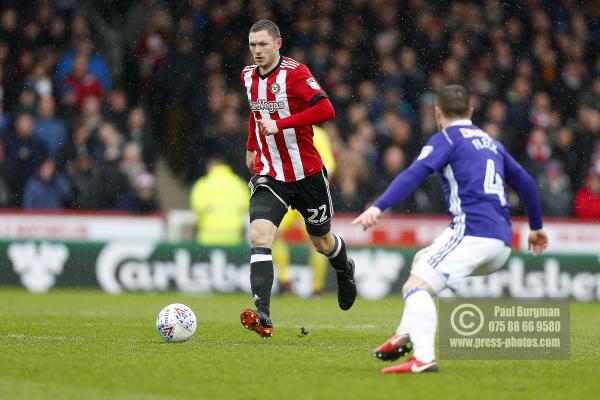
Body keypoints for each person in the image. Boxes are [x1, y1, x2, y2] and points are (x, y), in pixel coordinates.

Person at [353, 85, 549, 373]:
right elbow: (528, 184)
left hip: (472, 232)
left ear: (437, 113)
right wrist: (536, 227)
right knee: (422, 259)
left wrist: (378, 206)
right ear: (471, 111)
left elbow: (414, 173)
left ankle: (423, 358)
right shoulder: (491, 141)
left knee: (414, 288)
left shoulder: (446, 138)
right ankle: (405, 333)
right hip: (501, 241)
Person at [239, 19, 356, 338]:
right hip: (270, 173)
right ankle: (263, 313)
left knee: (322, 242)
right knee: (259, 236)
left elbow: (326, 109)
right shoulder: (248, 76)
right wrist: (252, 147)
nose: (257, 51)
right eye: (252, 45)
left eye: (263, 44)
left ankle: (344, 271)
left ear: (278, 44)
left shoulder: (296, 73)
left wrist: (284, 123)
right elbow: (255, 112)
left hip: (306, 175)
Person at [189, 156, 249, 246]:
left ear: (209, 167)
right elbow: (246, 208)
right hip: (233, 237)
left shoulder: (203, 184)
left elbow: (197, 209)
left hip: (207, 238)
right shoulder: (238, 184)